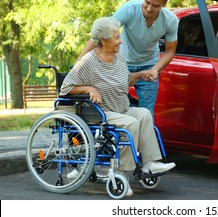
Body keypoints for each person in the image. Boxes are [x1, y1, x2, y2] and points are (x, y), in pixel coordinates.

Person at [60, 17, 176, 196]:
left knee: (144, 114)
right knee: (131, 123)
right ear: (104, 40)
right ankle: (121, 172)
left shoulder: (119, 58)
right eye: (116, 37)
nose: (120, 41)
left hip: (120, 107)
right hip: (102, 113)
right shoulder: (87, 62)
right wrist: (89, 88)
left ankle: (150, 162)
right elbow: (65, 88)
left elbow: (124, 80)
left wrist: (140, 75)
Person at [79, 0, 178, 119]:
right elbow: (103, 33)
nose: (149, 9)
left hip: (149, 66)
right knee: (116, 109)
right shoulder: (130, 9)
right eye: (147, 2)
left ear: (164, 3)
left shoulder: (170, 20)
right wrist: (81, 60)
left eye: (155, 6)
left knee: (147, 114)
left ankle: (141, 141)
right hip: (121, 64)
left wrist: (155, 69)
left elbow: (170, 51)